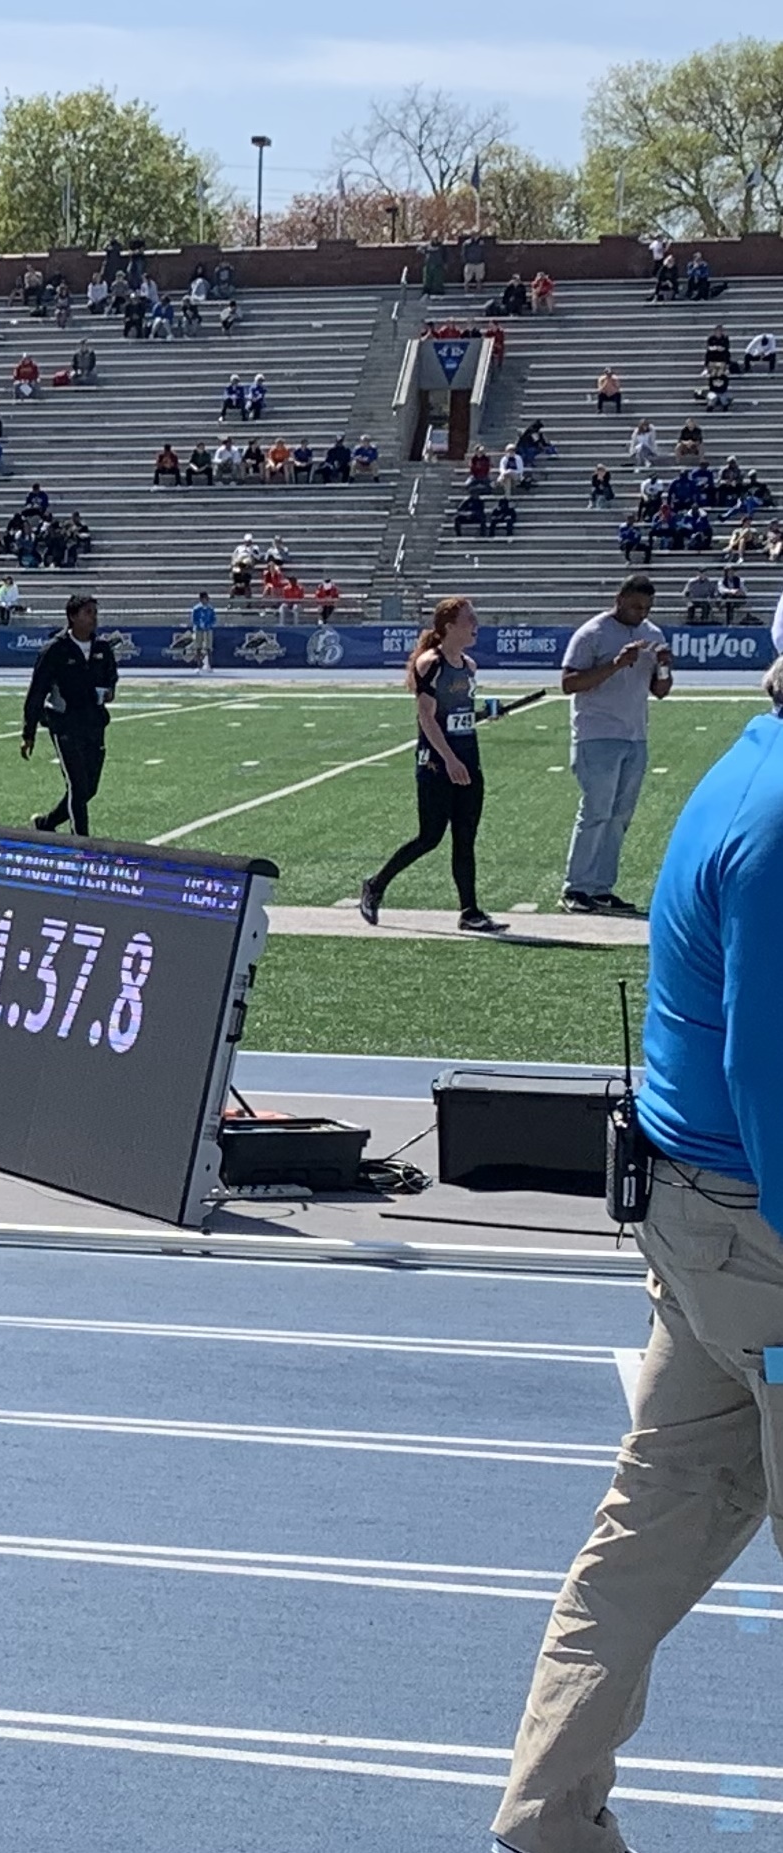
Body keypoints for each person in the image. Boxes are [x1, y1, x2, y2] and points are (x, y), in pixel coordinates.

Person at [493, 657, 783, 1853]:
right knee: (648, 1525)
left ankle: (548, 1815)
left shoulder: (748, 769)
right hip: (756, 1232)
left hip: (700, 1224)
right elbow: (770, 1074)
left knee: (650, 1527)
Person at [358, 599, 508, 933]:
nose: (476, 625)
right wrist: (449, 760)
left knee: (465, 838)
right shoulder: (431, 663)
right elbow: (426, 716)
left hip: (468, 758)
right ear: (449, 626)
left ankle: (470, 911)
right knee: (430, 837)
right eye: (470, 619)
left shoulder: (469, 666)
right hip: (437, 765)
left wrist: (486, 714)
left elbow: (457, 715)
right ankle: (376, 885)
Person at [559, 574, 675, 915]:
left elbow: (660, 691)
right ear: (619, 599)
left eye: (647, 608)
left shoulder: (652, 635)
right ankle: (576, 886)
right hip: (597, 733)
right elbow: (568, 683)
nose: (642, 613)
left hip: (635, 735)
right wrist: (615, 664)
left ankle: (601, 887)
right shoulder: (592, 633)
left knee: (620, 816)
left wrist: (665, 668)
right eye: (637, 606)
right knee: (596, 811)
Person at [22, 594, 116, 835]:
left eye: (95, 613)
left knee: (89, 789)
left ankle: (47, 823)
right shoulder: (55, 649)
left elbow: (111, 681)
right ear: (72, 617)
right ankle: (81, 843)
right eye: (88, 613)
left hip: (94, 723)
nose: (93, 618)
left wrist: (107, 693)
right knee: (76, 784)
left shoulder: (103, 649)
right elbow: (37, 691)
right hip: (65, 724)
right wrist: (28, 732)